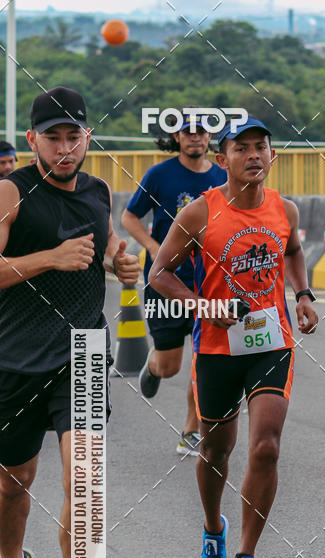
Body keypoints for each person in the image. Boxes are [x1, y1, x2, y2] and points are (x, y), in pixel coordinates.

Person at [149, 116, 318, 558]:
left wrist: (303, 293)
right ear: (222, 160)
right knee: (216, 450)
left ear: (272, 156)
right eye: (241, 148)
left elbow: (293, 250)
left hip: (272, 343)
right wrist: (205, 306)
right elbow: (159, 274)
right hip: (216, 348)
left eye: (260, 147)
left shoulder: (285, 208)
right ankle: (211, 528)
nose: (253, 156)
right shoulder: (201, 213)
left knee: (265, 446)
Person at [0, 86, 139, 558]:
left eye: (73, 136)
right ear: (33, 139)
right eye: (52, 137)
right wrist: (49, 260)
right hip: (14, 358)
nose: (64, 148)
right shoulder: (10, 192)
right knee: (14, 486)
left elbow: (103, 250)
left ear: (87, 138)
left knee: (87, 482)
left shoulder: (98, 192)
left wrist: (119, 264)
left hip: (81, 350)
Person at [122, 113, 226, 456]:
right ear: (177, 137)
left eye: (201, 132)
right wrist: (152, 248)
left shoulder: (222, 176)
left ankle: (191, 431)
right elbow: (129, 216)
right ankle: (154, 364)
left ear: (209, 137)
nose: (195, 138)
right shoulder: (160, 175)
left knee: (206, 359)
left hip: (209, 284)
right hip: (164, 280)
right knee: (171, 366)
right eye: (188, 132)